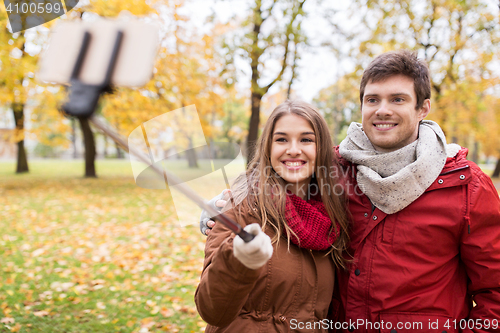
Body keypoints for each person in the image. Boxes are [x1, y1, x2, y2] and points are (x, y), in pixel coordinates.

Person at [200, 50, 500, 333]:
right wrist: (221, 204)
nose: (383, 110)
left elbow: (495, 292)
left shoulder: (465, 185)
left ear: (423, 108)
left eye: (397, 99)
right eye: (372, 100)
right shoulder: (336, 169)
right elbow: (276, 175)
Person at [195, 100, 351, 332]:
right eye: (282, 139)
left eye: (306, 139)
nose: (294, 149)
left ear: (322, 149)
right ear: (268, 147)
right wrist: (238, 259)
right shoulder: (239, 205)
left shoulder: (332, 217)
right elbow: (212, 310)